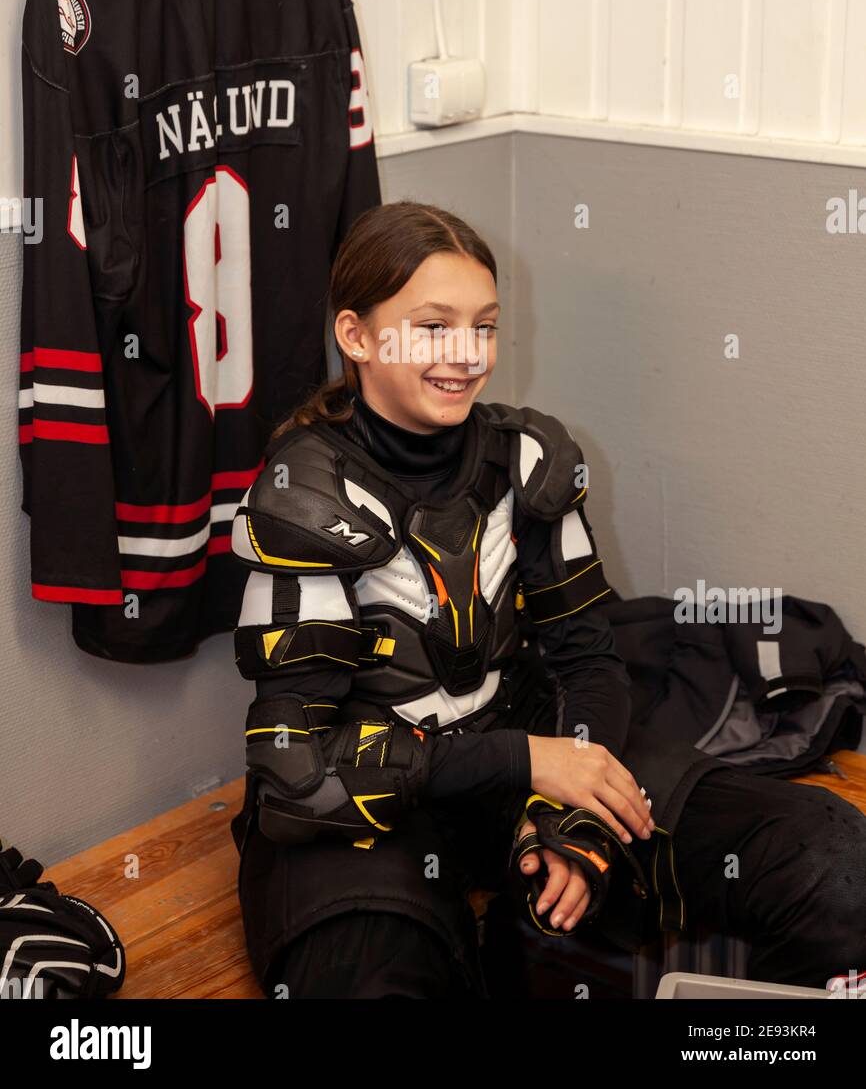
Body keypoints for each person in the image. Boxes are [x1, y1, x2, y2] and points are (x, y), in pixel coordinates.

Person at [229, 200, 866, 999]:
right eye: (433, 327)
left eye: (485, 326)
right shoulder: (300, 498)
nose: (467, 355)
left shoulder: (526, 459)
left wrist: (576, 813)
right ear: (356, 336)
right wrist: (529, 761)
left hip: (527, 755)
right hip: (376, 803)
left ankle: (539, 949)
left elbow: (589, 659)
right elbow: (295, 774)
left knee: (834, 863)